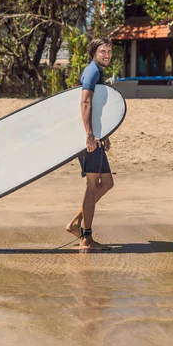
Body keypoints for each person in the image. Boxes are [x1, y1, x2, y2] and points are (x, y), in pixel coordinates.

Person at [65, 38, 114, 251]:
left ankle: (76, 222)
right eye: (103, 51)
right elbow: (85, 102)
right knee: (93, 184)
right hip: (88, 138)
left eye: (109, 51)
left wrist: (104, 133)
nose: (107, 55)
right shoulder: (92, 72)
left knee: (108, 183)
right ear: (94, 52)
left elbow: (97, 106)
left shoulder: (96, 71)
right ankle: (86, 238)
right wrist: (89, 135)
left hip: (96, 135)